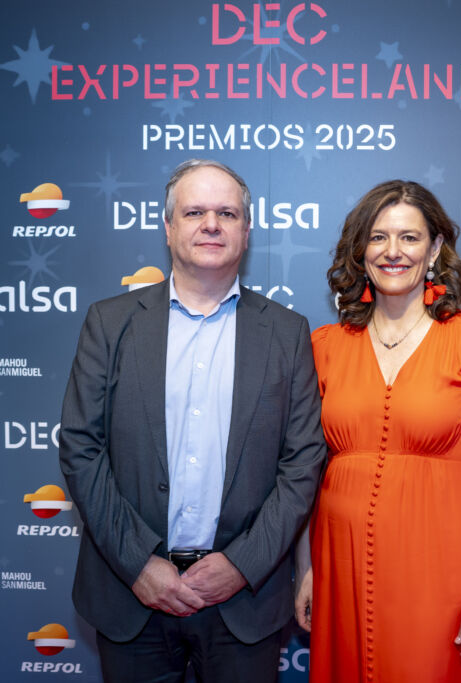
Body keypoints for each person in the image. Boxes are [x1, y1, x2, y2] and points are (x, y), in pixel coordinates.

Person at [60, 159, 327, 683]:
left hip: (243, 603)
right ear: (168, 227)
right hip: (131, 595)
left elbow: (302, 462)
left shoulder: (288, 333)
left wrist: (243, 564)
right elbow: (81, 448)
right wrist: (138, 563)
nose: (211, 224)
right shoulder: (109, 323)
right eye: (194, 212)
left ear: (246, 231)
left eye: (227, 213)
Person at [295, 180, 461, 682]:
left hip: (440, 565)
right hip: (340, 567)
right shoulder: (325, 347)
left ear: (436, 248)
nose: (393, 252)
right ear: (360, 250)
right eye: (378, 237)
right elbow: (304, 471)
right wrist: (306, 568)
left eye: (409, 237)